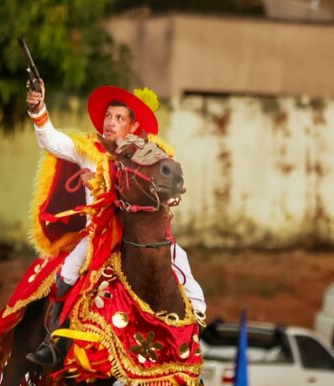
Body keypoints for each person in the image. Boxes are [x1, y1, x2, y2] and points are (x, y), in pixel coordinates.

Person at [23, 80, 206, 367]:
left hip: (140, 235)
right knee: (69, 270)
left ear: (133, 126)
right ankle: (55, 342)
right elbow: (51, 140)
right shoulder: (87, 149)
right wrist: (38, 110)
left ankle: (191, 341)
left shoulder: (148, 154)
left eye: (119, 118)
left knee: (181, 261)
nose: (110, 122)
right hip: (98, 234)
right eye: (108, 116)